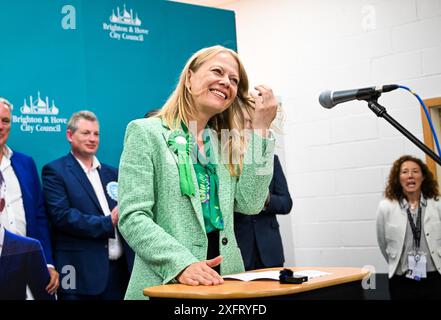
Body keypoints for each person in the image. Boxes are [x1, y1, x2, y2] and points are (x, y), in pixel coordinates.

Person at [118, 45, 278, 300]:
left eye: (234, 80)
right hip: (165, 284)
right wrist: (182, 263)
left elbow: (251, 203)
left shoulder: (226, 142)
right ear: (190, 78)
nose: (226, 82)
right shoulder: (145, 132)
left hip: (225, 284)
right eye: (218, 71)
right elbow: (132, 216)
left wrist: (260, 129)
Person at [42, 111, 133, 300]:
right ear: (69, 135)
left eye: (96, 134)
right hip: (78, 273)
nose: (92, 139)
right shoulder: (55, 171)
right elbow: (63, 217)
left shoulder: (113, 173)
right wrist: (109, 222)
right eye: (85, 133)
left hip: (119, 274)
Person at [0, 97, 58, 297]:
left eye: (5, 121)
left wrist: (47, 262)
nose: (1, 126)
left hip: (27, 267)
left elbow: (39, 217)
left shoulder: (25, 163)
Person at [376, 155, 441, 300]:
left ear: (423, 177)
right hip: (402, 279)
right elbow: (382, 242)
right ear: (398, 179)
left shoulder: (437, 204)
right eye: (404, 172)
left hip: (435, 277)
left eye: (415, 171)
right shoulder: (386, 207)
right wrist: (395, 259)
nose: (410, 175)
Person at [234, 154, 292, 271]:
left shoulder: (271, 159)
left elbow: (286, 203)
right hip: (240, 251)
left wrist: (263, 198)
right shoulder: (227, 161)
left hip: (271, 250)